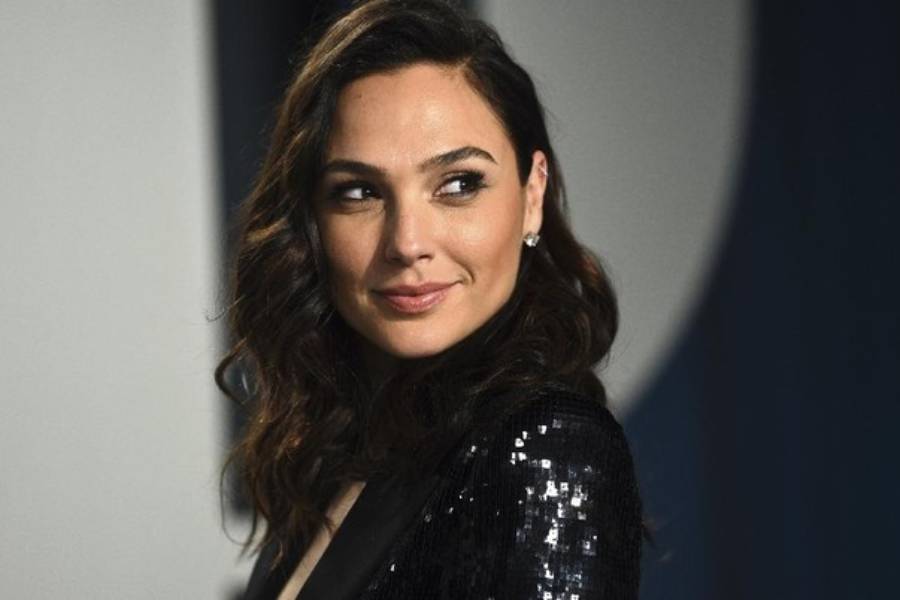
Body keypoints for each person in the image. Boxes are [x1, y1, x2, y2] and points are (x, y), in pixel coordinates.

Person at [216, 0, 644, 598]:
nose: (408, 243)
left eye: (458, 184)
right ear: (311, 220)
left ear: (532, 194)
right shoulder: (337, 459)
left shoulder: (549, 444)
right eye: (360, 192)